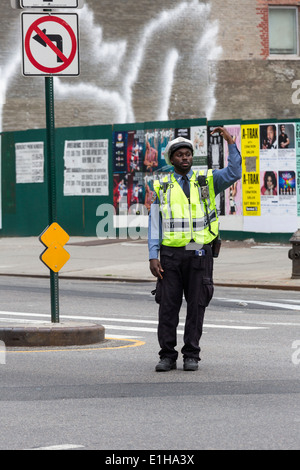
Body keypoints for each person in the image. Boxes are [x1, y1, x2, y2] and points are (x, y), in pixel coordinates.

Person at [148, 128, 242, 372]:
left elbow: (234, 172)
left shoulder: (207, 180)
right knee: (168, 307)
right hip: (170, 254)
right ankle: (167, 355)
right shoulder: (163, 185)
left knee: (197, 306)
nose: (185, 158)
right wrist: (152, 254)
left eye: (188, 153)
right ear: (172, 160)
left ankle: (192, 354)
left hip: (199, 251)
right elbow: (155, 223)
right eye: (179, 154)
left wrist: (231, 142)